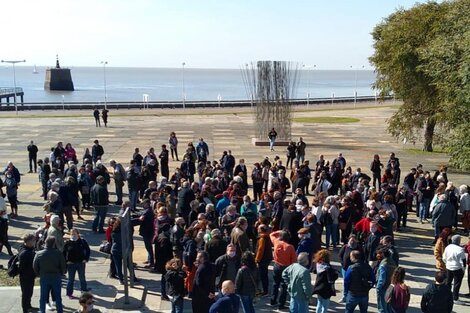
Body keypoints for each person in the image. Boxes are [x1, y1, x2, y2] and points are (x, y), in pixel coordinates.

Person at [33, 236, 66, 313]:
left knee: (43, 296)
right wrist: (61, 273)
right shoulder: (58, 253)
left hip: (44, 277)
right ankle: (60, 311)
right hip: (56, 277)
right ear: (54, 244)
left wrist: (39, 274)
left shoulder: (39, 254)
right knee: (58, 297)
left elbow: (35, 266)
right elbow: (63, 266)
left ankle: (42, 310)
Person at [270, 229, 297, 310]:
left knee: (275, 284)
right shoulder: (290, 247)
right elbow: (294, 260)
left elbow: (271, 234)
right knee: (284, 286)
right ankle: (281, 304)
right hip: (286, 267)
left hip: (276, 265)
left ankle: (273, 301)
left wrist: (279, 231)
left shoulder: (276, 242)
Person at [64, 228, 91, 299]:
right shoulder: (67, 243)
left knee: (82, 278)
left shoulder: (82, 241)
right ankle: (69, 293)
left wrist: (86, 259)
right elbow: (64, 253)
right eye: (72, 234)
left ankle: (84, 291)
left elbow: (88, 250)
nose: (73, 235)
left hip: (80, 263)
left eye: (74, 233)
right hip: (71, 264)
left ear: (78, 234)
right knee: (71, 279)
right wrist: (66, 261)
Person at [442, 234, 466, 304]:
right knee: (457, 284)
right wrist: (463, 269)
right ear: (458, 241)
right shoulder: (460, 249)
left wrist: (447, 263)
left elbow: (444, 258)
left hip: (449, 267)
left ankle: (447, 296)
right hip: (457, 268)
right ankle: (455, 298)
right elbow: (463, 261)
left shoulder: (448, 247)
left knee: (448, 282)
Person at [18, 233, 37, 313]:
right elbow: (21, 267)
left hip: (30, 275)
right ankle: (25, 310)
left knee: (29, 292)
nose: (34, 242)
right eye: (33, 240)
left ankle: (28, 306)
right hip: (25, 276)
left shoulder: (29, 249)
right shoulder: (25, 253)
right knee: (26, 293)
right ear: (28, 242)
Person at [376, 247, 397, 313]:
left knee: (382, 308)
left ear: (383, 254)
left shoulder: (383, 264)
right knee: (389, 307)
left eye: (379, 254)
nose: (377, 255)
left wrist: (378, 288)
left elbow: (382, 279)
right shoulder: (393, 262)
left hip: (383, 288)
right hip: (391, 287)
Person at [255, 224, 273, 296]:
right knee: (264, 275)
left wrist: (257, 259)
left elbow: (260, 250)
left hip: (263, 260)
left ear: (260, 230)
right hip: (267, 259)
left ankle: (264, 291)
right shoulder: (267, 236)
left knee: (263, 275)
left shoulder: (262, 238)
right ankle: (265, 290)